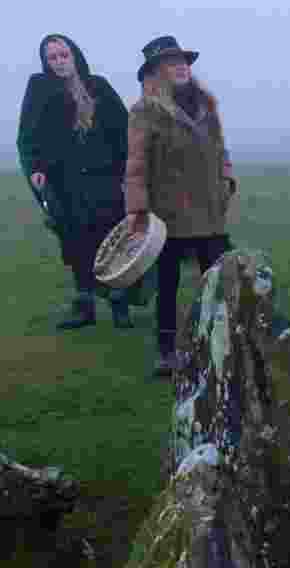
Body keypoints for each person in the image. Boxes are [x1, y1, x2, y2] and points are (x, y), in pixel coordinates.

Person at [123, 36, 238, 377]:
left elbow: (221, 149)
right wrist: (137, 211)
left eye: (184, 60)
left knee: (218, 280)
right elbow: (136, 163)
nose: (181, 66)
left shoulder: (207, 105)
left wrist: (228, 179)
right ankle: (166, 351)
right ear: (156, 72)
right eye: (171, 62)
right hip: (168, 214)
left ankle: (218, 344)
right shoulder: (145, 111)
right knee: (168, 285)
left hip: (210, 211)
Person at [17, 34, 133, 330]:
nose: (59, 61)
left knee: (113, 242)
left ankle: (120, 305)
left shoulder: (99, 86)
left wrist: (126, 174)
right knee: (75, 242)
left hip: (104, 178)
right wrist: (35, 168)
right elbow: (28, 136)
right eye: (52, 57)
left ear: (74, 54)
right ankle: (85, 308)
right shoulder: (39, 88)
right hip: (63, 182)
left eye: (63, 54)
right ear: (46, 62)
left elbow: (123, 132)